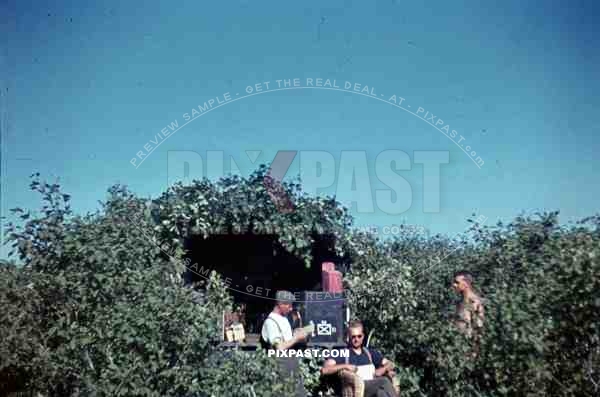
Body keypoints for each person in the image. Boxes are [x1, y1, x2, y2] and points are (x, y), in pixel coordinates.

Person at [321, 320, 398, 397]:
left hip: (373, 388)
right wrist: (345, 366)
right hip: (356, 389)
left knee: (381, 393)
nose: (356, 339)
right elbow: (325, 370)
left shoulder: (369, 353)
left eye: (359, 336)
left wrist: (383, 369)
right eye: (353, 337)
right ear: (348, 337)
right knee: (383, 381)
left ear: (363, 336)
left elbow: (390, 364)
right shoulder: (342, 353)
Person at [260, 290, 307, 396]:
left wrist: (296, 334)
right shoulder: (270, 323)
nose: (291, 309)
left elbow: (287, 340)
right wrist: (296, 338)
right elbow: (279, 347)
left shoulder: (284, 319)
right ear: (280, 304)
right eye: (289, 306)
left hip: (291, 367)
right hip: (280, 370)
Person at [452, 270, 484, 356]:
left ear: (466, 284)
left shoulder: (475, 302)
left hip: (467, 350)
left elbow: (478, 329)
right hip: (458, 348)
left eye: (457, 282)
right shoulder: (460, 301)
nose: (454, 285)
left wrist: (474, 353)